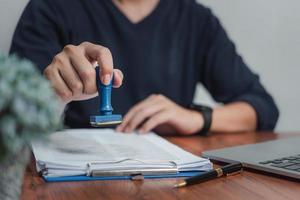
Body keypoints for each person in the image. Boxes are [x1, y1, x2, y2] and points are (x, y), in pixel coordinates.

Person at [10, 0, 279, 135]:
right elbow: (11, 127)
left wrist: (197, 118)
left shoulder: (195, 19)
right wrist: (54, 97)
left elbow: (262, 108)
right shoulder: (50, 9)